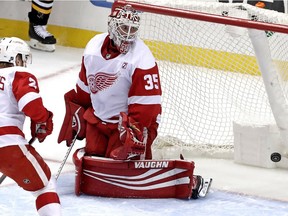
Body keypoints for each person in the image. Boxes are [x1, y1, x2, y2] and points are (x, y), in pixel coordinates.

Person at [58, 4, 211, 199]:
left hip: (132, 123)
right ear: (112, 25)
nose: (129, 35)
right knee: (96, 160)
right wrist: (77, 113)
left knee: (123, 169)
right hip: (100, 119)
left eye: (133, 29)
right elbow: (85, 87)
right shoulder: (92, 48)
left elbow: (147, 105)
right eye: (124, 28)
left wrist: (134, 134)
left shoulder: (142, 57)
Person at [0, 37, 61, 215]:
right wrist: (43, 119)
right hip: (6, 143)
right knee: (44, 185)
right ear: (16, 59)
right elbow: (31, 104)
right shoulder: (17, 73)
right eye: (23, 58)